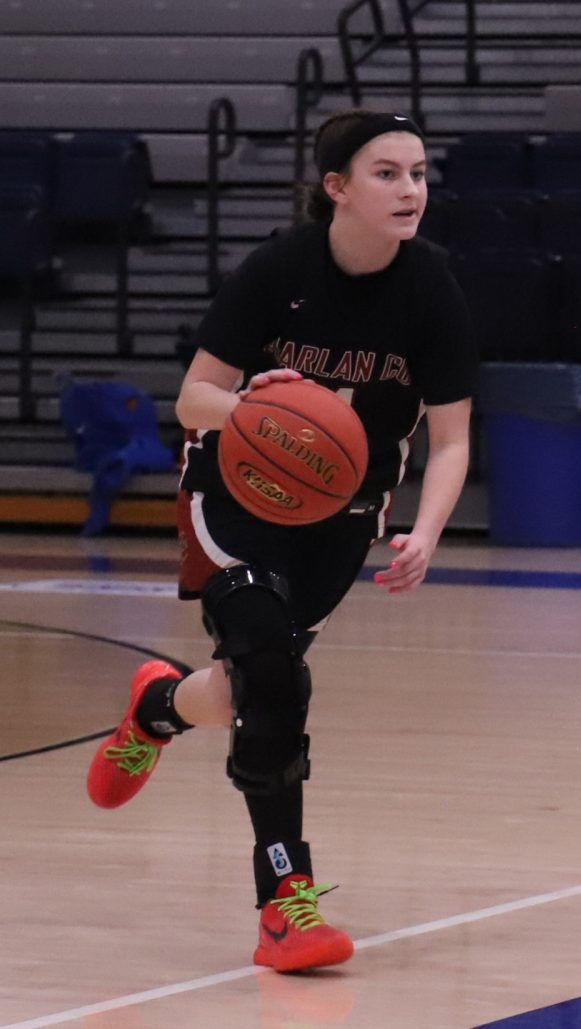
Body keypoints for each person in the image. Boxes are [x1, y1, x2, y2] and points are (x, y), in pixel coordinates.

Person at [86, 109, 477, 970]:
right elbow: (194, 399)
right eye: (387, 173)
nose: (410, 189)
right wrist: (259, 411)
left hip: (340, 518)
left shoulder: (432, 289)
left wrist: (428, 530)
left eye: (418, 173)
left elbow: (450, 440)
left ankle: (156, 707)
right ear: (336, 187)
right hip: (235, 494)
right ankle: (284, 906)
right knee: (272, 675)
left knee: (240, 691)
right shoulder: (277, 270)